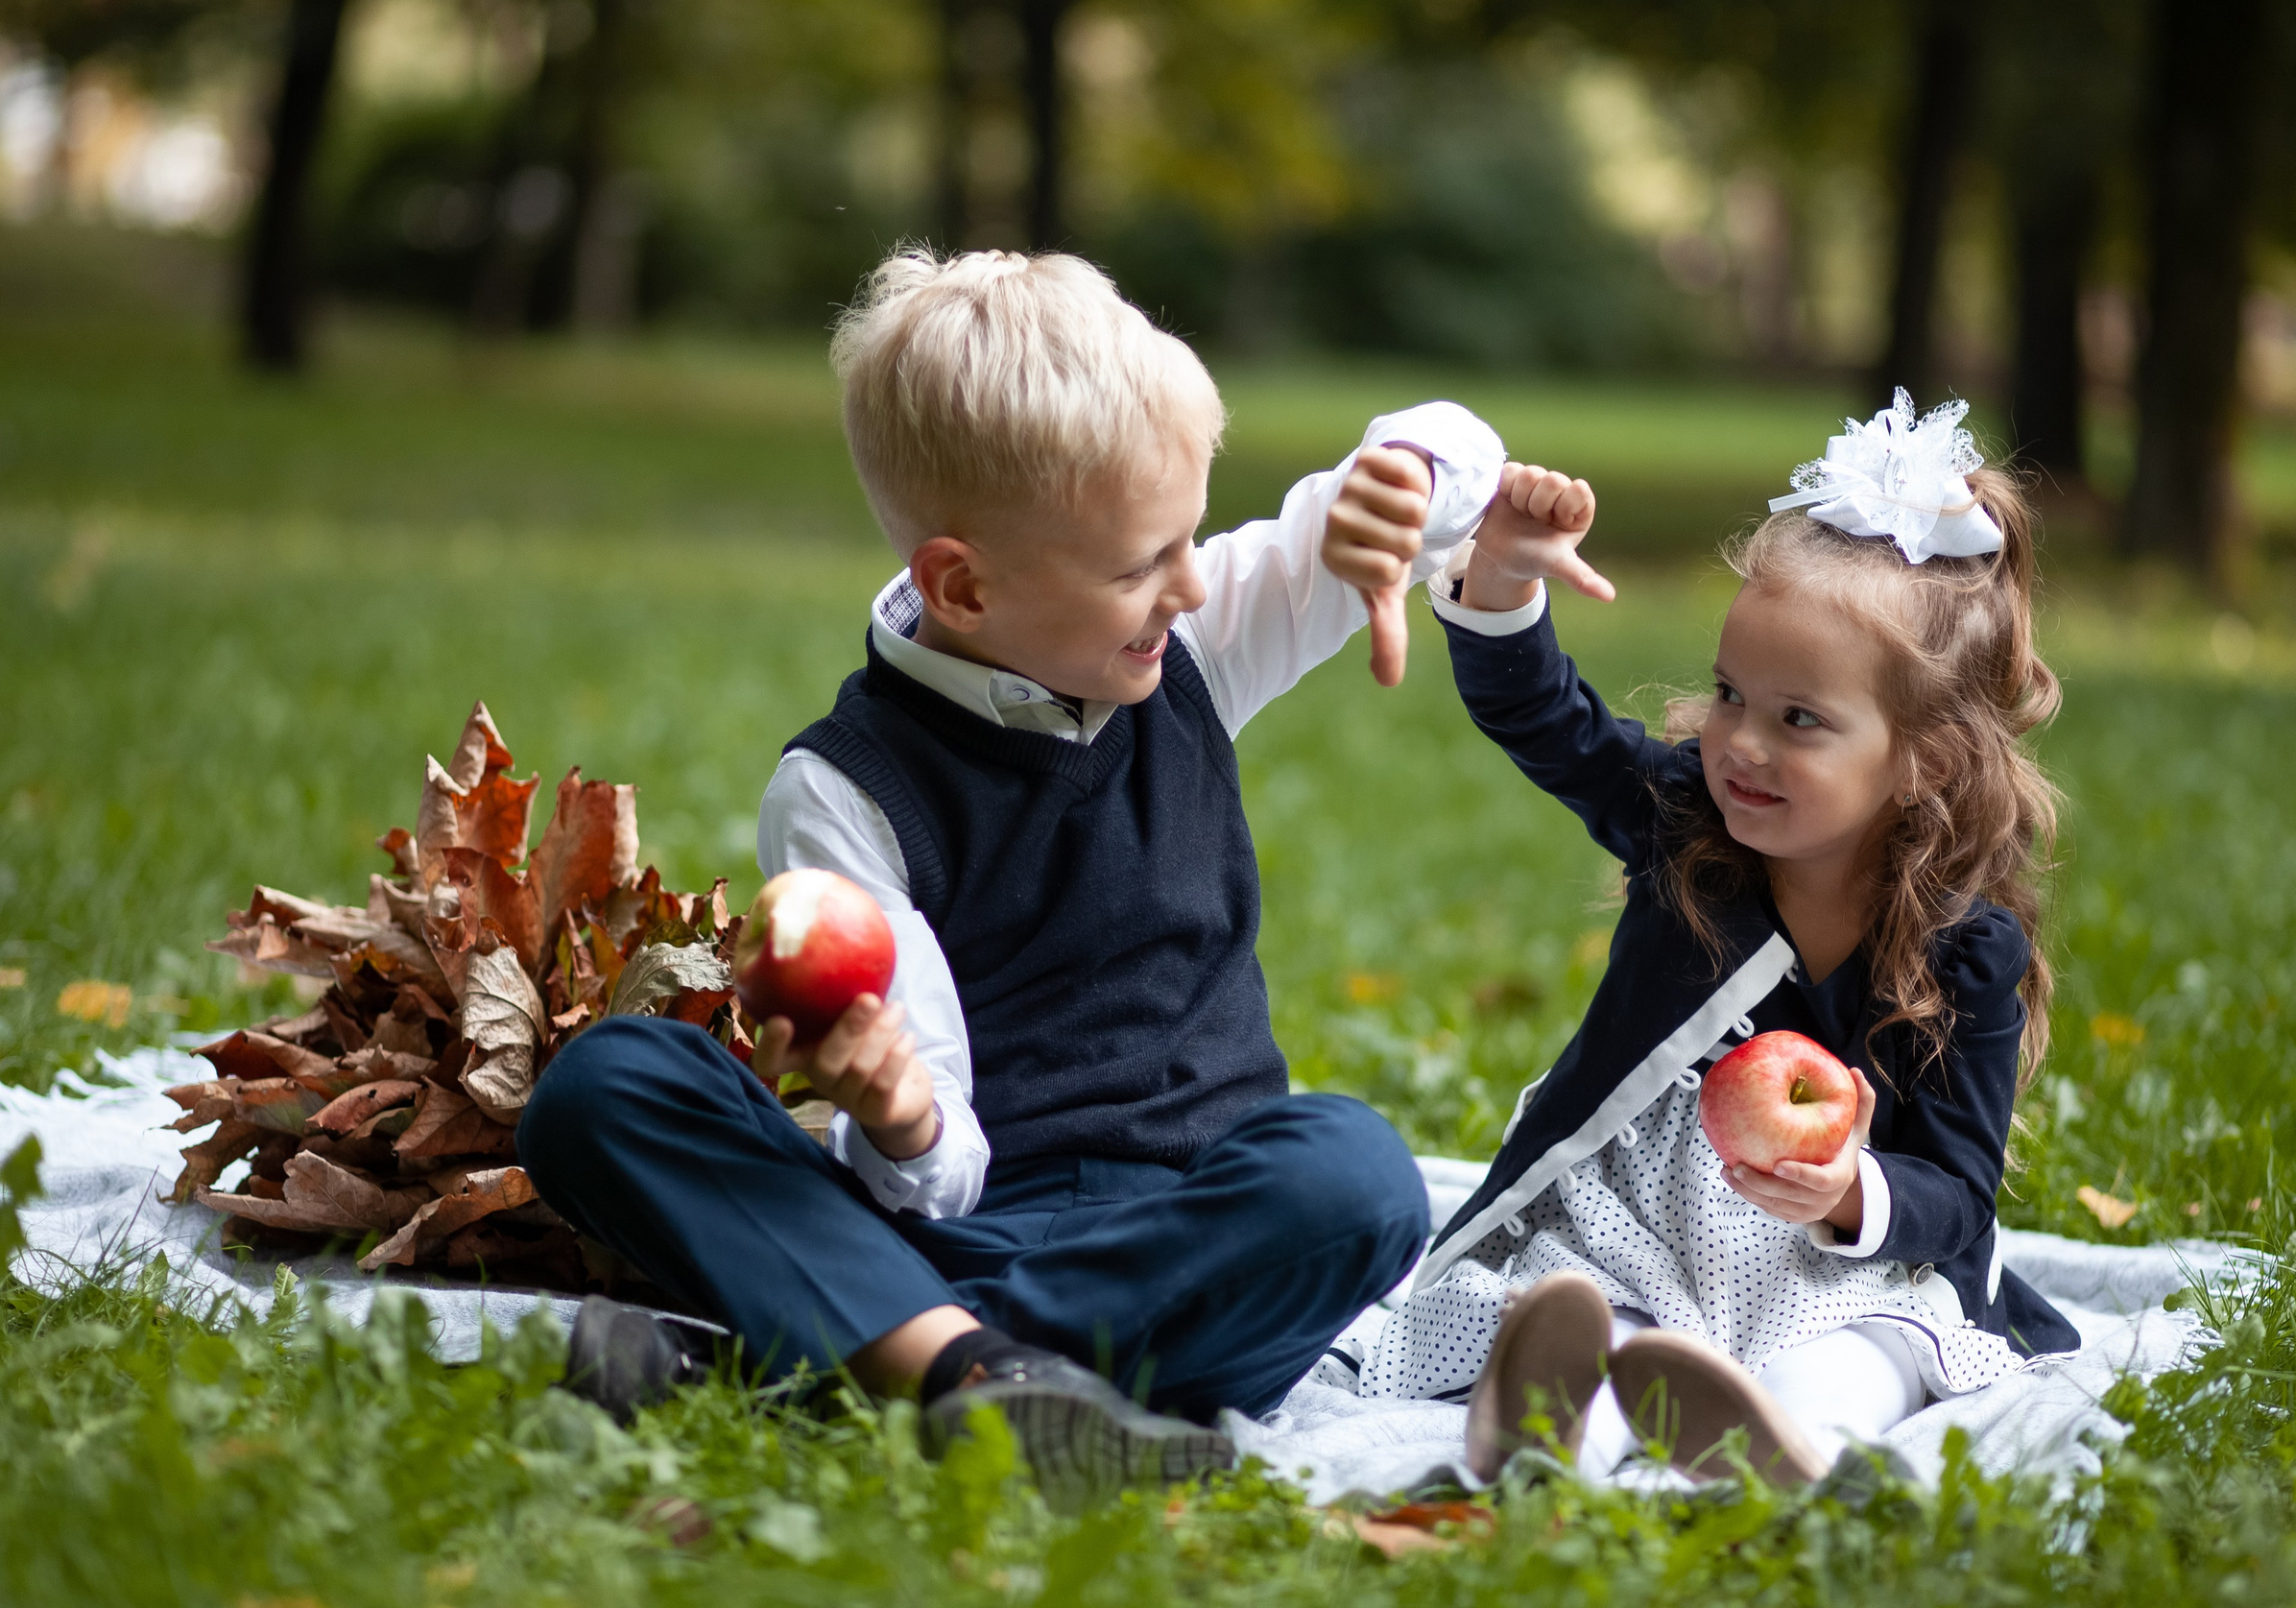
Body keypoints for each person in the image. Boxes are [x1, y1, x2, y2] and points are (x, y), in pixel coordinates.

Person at [516, 247, 1520, 1502]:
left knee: (1352, 1177)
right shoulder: (846, 788)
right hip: (966, 1213)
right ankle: (984, 1382)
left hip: (1202, 1227)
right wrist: (895, 1110)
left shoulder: (1193, 643)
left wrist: (1405, 479)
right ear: (964, 583)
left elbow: (1450, 452)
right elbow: (939, 1165)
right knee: (607, 1084)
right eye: (1140, 563)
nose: (1192, 581)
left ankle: (881, 1359)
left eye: (1191, 538)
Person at [1333, 391, 2080, 1484]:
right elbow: (1545, 720)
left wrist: (1847, 1194)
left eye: (1799, 719)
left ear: (1923, 758)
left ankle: (1783, 1443)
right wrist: (1505, 579)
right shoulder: (1684, 820)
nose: (1738, 742)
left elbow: (1957, 1190)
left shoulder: (1966, 949)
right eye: (1731, 694)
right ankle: (1556, 1433)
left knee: (1877, 1351)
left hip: (1831, 1260)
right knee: (1579, 1303)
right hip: (1644, 1218)